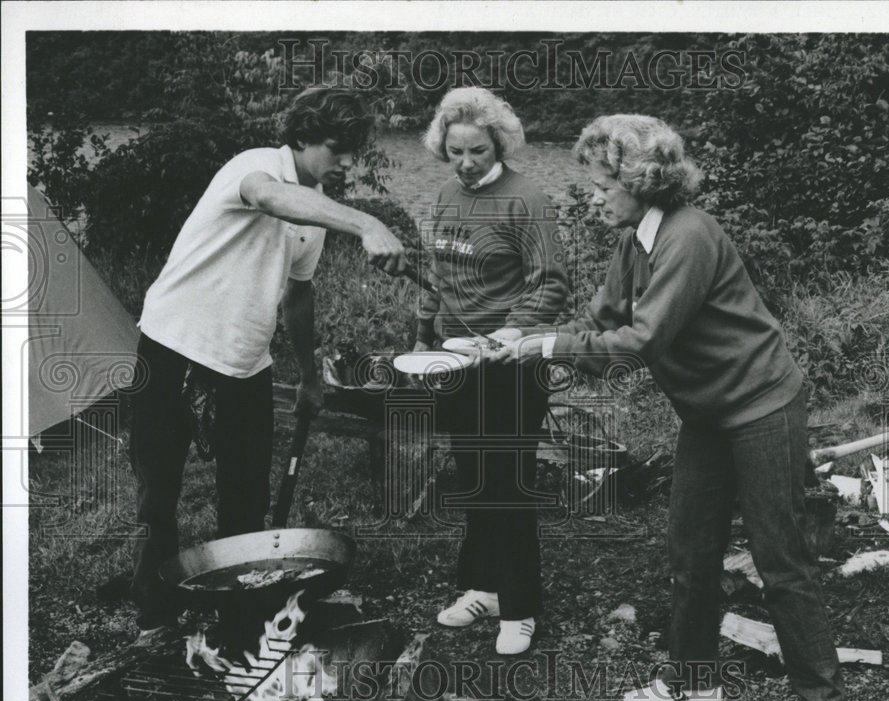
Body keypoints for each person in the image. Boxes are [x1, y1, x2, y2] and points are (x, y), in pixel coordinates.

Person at [486, 115, 847, 701]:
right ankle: (693, 680)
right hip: (708, 413)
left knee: (779, 557)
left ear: (642, 182)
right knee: (692, 547)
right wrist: (524, 337)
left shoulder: (688, 237)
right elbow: (601, 322)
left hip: (761, 404)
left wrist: (546, 350)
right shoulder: (634, 243)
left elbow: (642, 342)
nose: (594, 196)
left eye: (602, 185)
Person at [128, 87, 405, 636]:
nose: (346, 160)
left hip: (245, 360)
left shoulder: (316, 210)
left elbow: (297, 295)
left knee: (246, 501)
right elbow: (270, 197)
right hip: (173, 343)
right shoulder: (255, 167)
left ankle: (239, 619)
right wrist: (368, 223)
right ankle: (153, 615)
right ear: (301, 136)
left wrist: (308, 374)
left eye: (352, 149)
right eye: (335, 146)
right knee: (157, 492)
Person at [416, 87, 568, 655]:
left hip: (509, 363)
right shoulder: (443, 198)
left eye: (477, 150)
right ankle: (483, 587)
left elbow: (550, 281)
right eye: (455, 151)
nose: (466, 162)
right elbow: (435, 280)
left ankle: (521, 606)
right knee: (473, 477)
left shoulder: (525, 199)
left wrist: (512, 333)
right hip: (457, 362)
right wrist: (422, 340)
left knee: (508, 484)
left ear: (498, 143)